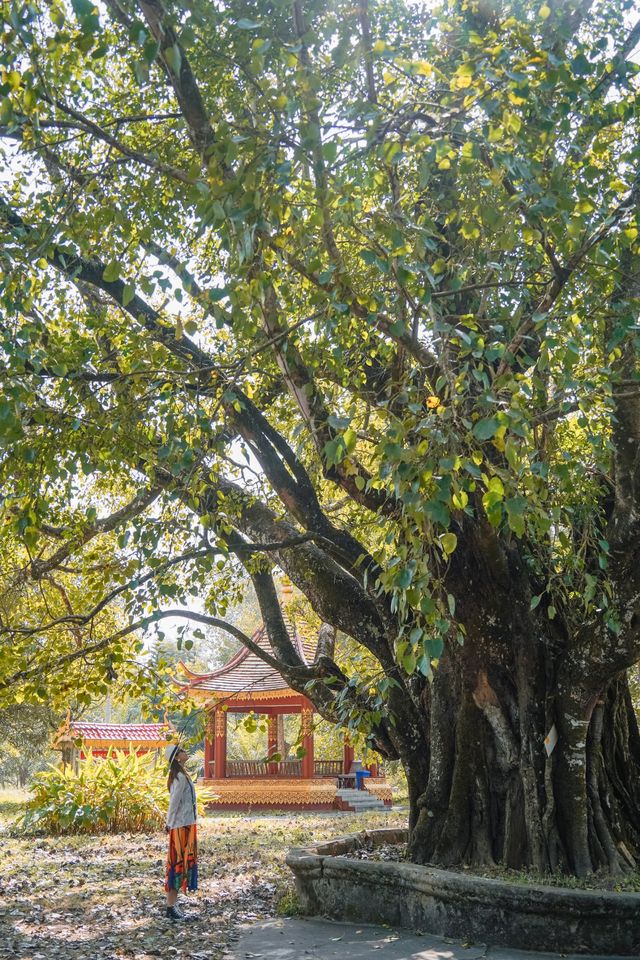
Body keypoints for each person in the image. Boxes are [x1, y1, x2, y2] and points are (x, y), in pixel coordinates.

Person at [164, 744, 198, 921]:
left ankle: (173, 905)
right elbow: (174, 803)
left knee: (181, 864)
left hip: (186, 824)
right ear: (177, 757)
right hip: (180, 827)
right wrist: (169, 823)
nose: (186, 751)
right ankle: (170, 907)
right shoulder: (180, 778)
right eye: (182, 750)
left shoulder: (182, 775)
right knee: (177, 864)